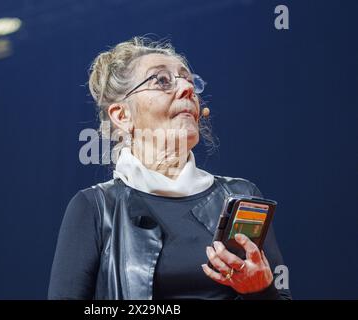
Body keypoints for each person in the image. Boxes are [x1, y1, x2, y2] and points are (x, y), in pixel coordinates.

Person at [48, 37, 291, 300]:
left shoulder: (241, 195)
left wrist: (261, 291)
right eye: (162, 80)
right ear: (122, 115)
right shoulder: (96, 207)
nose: (187, 88)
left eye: (189, 80)